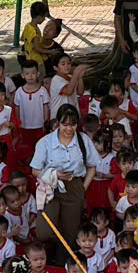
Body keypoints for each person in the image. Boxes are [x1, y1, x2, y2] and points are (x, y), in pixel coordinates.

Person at [30, 104, 93, 247]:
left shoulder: (83, 140)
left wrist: (83, 188)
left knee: (70, 233)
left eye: (73, 124)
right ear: (58, 122)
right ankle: (50, 249)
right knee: (44, 231)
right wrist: (55, 174)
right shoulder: (45, 142)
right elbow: (35, 170)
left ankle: (63, 259)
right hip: (49, 187)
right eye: (65, 124)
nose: (69, 129)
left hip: (74, 186)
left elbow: (92, 166)